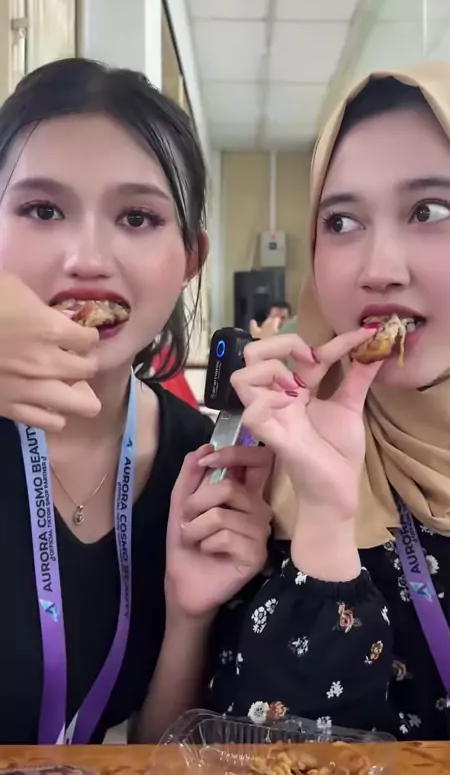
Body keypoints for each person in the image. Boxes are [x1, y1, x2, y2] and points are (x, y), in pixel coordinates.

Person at [0, 57, 274, 744]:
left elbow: (155, 752)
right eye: (42, 210)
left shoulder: (206, 468)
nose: (88, 258)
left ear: (190, 260)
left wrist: (187, 617)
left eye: (137, 216)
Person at [211, 60, 450, 742]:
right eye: (340, 221)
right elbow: (266, 753)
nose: (378, 269)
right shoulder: (266, 467)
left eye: (429, 210)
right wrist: (327, 519)